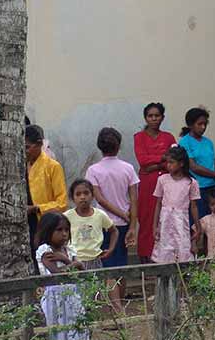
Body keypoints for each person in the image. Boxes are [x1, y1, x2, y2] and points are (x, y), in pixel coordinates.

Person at [84, 127, 138, 307]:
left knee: (109, 268)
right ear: (119, 145)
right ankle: (120, 303)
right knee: (121, 264)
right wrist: (131, 224)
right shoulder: (128, 168)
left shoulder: (93, 170)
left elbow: (99, 199)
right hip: (123, 224)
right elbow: (134, 199)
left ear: (100, 146)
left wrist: (120, 214)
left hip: (103, 224)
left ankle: (117, 308)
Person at [34, 212, 87, 340]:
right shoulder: (45, 250)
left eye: (66, 230)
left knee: (76, 327)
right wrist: (75, 264)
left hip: (73, 295)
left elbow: (82, 272)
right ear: (48, 230)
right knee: (58, 330)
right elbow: (57, 273)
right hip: (54, 297)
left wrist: (67, 260)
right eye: (59, 230)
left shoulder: (69, 250)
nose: (64, 234)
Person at [134, 102, 175, 262]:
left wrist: (156, 164)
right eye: (150, 116)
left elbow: (174, 159)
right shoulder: (139, 137)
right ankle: (145, 254)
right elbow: (142, 160)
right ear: (146, 118)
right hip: (147, 184)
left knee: (165, 217)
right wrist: (162, 159)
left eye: (157, 116)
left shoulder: (169, 137)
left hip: (167, 183)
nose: (154, 119)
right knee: (146, 217)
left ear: (162, 117)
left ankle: (163, 255)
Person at [151, 145, 200, 264]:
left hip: (181, 221)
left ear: (181, 163)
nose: (168, 165)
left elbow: (193, 206)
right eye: (167, 162)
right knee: (164, 250)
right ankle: (165, 280)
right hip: (165, 220)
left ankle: (180, 280)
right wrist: (155, 225)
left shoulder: (191, 182)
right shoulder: (162, 179)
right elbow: (158, 204)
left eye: (172, 162)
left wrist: (198, 226)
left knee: (182, 249)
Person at [178, 107, 215, 219]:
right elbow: (193, 167)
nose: (203, 127)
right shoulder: (184, 142)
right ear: (190, 125)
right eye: (199, 124)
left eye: (205, 124)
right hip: (197, 187)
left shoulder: (208, 142)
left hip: (213, 187)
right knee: (200, 220)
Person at [64, 179, 116, 272]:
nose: (82, 197)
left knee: (96, 285)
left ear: (92, 196)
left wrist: (111, 249)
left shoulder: (99, 215)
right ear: (72, 198)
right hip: (74, 261)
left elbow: (114, 231)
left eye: (86, 193)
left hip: (95, 260)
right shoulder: (67, 216)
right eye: (78, 194)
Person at [26, 125, 67, 224]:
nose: (24, 151)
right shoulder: (19, 167)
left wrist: (36, 208)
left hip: (44, 223)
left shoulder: (53, 167)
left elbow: (62, 203)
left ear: (39, 144)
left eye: (27, 147)